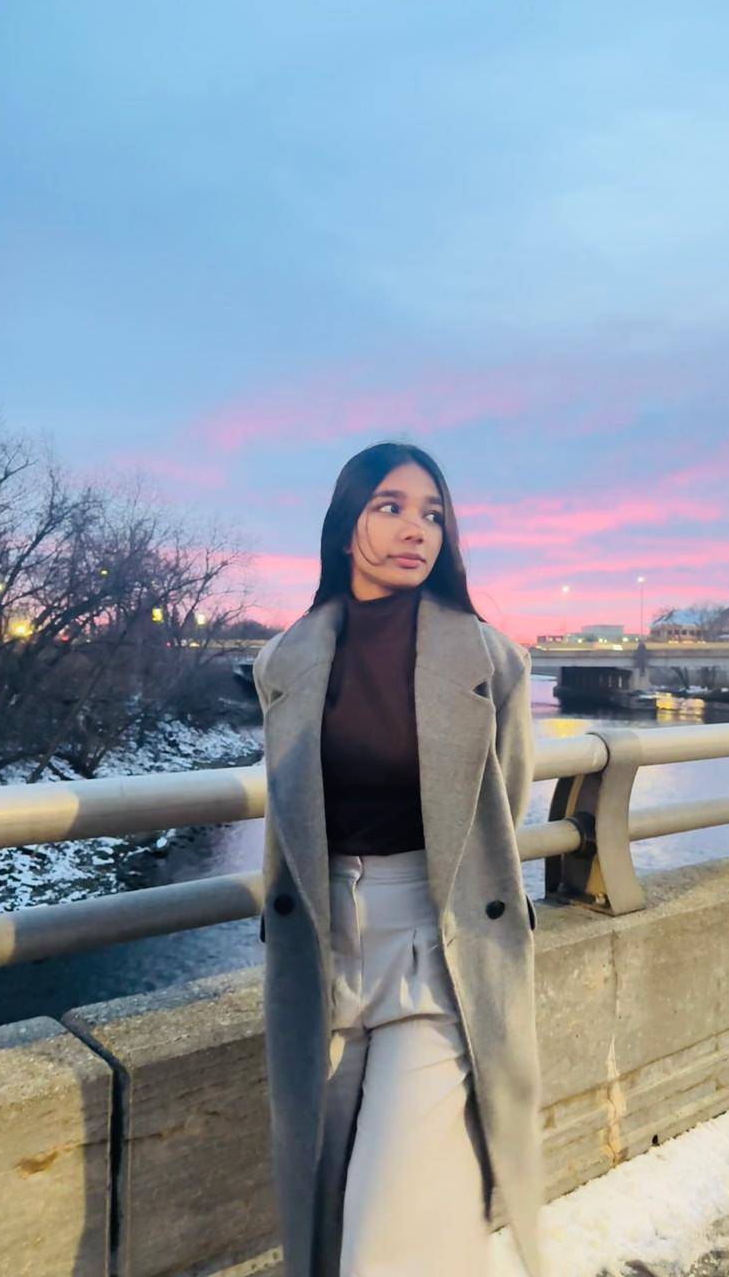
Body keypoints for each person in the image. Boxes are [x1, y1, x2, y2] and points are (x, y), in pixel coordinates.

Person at [252, 441, 544, 1277]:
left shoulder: (492, 659)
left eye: (432, 512)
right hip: (322, 955)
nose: (416, 528)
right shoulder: (286, 661)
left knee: (398, 1237)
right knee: (327, 1214)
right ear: (346, 528)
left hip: (434, 948)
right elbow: (292, 821)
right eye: (390, 506)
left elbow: (499, 808)